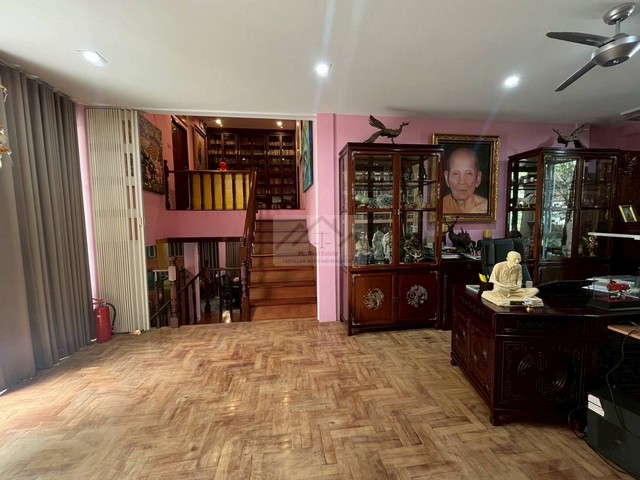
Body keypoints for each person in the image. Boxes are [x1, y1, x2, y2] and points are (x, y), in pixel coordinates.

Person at [443, 148, 488, 214]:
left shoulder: (487, 209)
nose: (461, 182)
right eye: (455, 173)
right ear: (447, 178)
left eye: (469, 173)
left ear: (478, 178)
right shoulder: (439, 207)